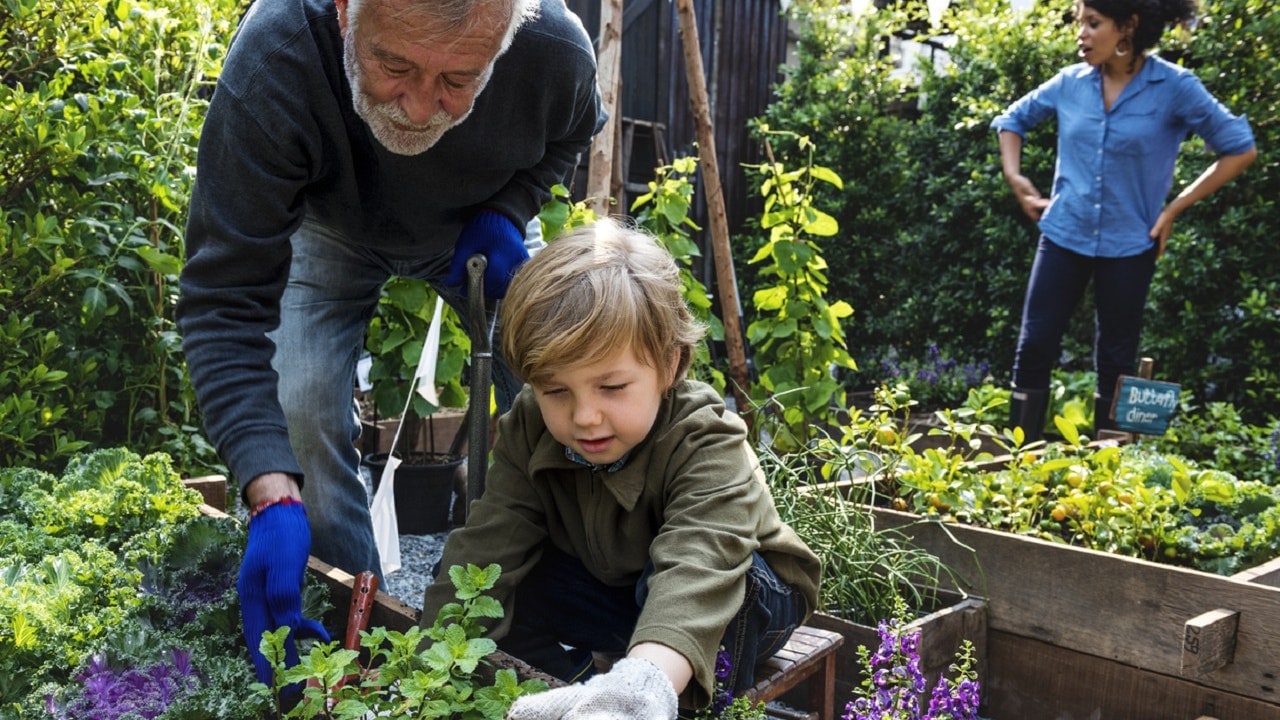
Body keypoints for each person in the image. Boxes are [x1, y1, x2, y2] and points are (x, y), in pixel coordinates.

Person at [175, 0, 604, 685]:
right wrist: (268, 488)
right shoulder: (276, 57)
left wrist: (509, 210)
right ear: (345, 11)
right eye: (393, 65)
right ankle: (358, 632)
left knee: (574, 374)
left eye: (460, 79)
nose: (419, 106)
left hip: (474, 224)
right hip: (330, 226)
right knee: (301, 406)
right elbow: (224, 300)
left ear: (504, 42)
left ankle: (580, 599)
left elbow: (571, 134)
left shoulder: (553, 48)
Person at [419, 219, 822, 718]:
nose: (585, 416)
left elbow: (699, 560)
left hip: (739, 595)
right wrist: (423, 675)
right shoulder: (529, 423)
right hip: (619, 590)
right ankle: (574, 698)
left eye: (611, 388)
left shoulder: (706, 435)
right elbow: (490, 537)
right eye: (556, 390)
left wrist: (643, 687)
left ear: (669, 365)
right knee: (483, 584)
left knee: (722, 589)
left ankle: (658, 701)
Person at [992, 0, 1256, 441]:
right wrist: (1014, 174)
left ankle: (1106, 476)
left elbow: (1240, 147)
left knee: (1116, 359)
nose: (1082, 34)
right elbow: (1012, 120)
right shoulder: (1069, 84)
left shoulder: (1174, 87)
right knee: (1034, 345)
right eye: (1081, 23)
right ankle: (1017, 469)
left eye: (1094, 24)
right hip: (1063, 234)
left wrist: (1174, 208)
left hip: (1131, 244)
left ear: (1127, 27)